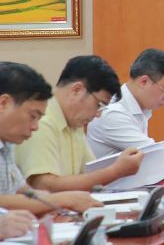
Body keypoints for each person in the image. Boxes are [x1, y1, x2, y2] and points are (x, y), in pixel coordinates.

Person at [17, 55, 144, 192]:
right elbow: (44, 186)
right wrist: (116, 171)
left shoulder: (74, 123)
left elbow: (89, 174)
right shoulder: (41, 122)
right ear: (76, 90)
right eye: (99, 105)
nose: (98, 114)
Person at [0, 62, 101, 216]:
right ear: (3, 103)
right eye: (32, 116)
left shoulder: (7, 142)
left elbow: (23, 191)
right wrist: (62, 200)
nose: (35, 127)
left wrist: (50, 201)